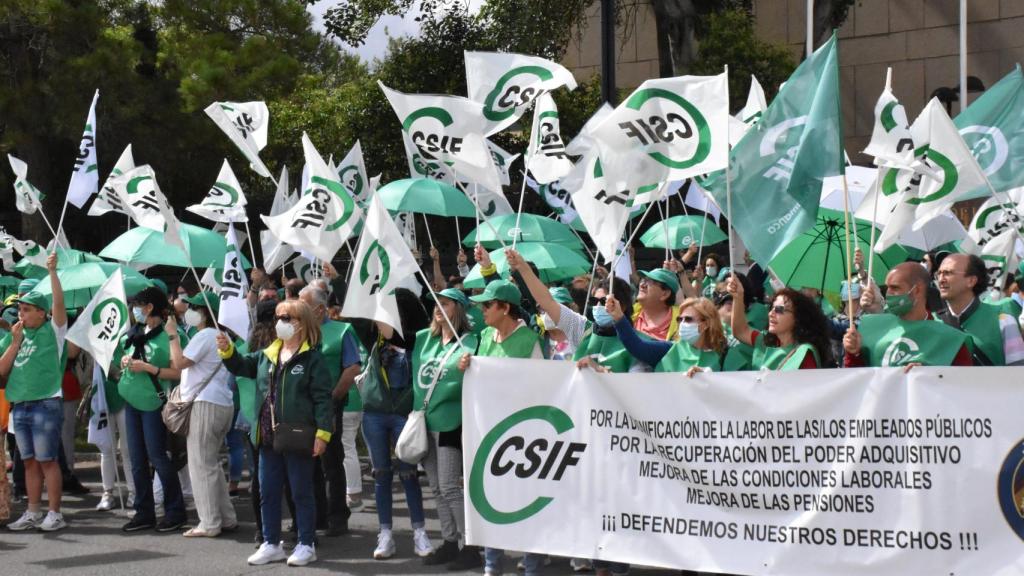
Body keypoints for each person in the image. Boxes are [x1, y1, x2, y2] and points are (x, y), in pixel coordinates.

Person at [217, 300, 333, 567]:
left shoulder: (313, 358)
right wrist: (228, 351)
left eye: (288, 317)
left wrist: (323, 433)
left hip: (298, 435)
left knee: (301, 492)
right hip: (267, 436)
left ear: (302, 323)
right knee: (268, 491)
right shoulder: (266, 355)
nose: (280, 321)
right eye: (279, 317)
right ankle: (271, 543)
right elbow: (241, 367)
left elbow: (323, 399)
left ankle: (306, 543)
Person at [457, 279, 544, 576]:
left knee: (526, 502)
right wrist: (467, 363)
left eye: (487, 305)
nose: (481, 310)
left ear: (505, 308)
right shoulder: (484, 336)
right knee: (490, 499)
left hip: (522, 436)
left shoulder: (530, 340)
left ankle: (531, 565)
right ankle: (492, 566)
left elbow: (543, 387)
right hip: (489, 433)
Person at [359, 289, 433, 561]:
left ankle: (419, 532)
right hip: (375, 415)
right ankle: (385, 534)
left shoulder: (417, 341)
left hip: (404, 416)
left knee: (409, 474)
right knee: (381, 474)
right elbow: (356, 315)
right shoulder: (374, 339)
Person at [0, 252, 69, 531]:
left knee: (47, 461)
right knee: (28, 462)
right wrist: (14, 342)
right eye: (20, 309)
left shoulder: (54, 331)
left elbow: (59, 304)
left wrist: (52, 273)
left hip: (45, 403)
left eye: (27, 309)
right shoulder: (14, 334)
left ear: (42, 312)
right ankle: (33, 512)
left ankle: (55, 513)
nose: (22, 314)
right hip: (21, 404)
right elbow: (2, 369)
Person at [413, 288, 481, 569]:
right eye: (436, 303)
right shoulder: (423, 338)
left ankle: (470, 545)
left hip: (452, 422)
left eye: (446, 303)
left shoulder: (471, 342)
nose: (438, 307)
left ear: (460, 309)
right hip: (424, 422)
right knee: (436, 488)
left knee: (451, 487)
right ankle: (450, 541)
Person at [167, 292, 237, 537]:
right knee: (211, 464)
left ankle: (209, 522)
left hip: (205, 405)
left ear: (205, 312)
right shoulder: (222, 335)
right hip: (220, 404)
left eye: (194, 307)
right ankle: (226, 517)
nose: (188, 311)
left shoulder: (206, 334)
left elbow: (178, 362)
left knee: (200, 465)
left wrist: (173, 335)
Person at [117, 286, 186, 533]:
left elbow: (177, 371)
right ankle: (144, 512)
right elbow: (124, 358)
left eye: (139, 305)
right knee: (137, 460)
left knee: (158, 457)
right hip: (131, 400)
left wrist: (148, 368)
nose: (135, 310)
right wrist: (125, 361)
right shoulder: (134, 332)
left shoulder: (167, 333)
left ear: (149, 308)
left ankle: (175, 511)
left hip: (153, 403)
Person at [299, 285, 361, 536]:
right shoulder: (299, 331)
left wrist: (334, 397)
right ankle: (317, 515)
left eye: (304, 305)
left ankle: (337, 516)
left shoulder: (342, 330)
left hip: (329, 406)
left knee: (331, 462)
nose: (299, 309)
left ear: (320, 308)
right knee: (307, 463)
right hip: (302, 407)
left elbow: (353, 367)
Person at [843, 262, 971, 368]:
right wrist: (853, 353)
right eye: (887, 287)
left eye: (895, 288)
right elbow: (857, 381)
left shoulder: (948, 338)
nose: (888, 293)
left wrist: (930, 375)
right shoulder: (871, 328)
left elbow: (960, 386)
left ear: (916, 290)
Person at [935, 254, 1024, 366]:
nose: (941, 279)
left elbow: (1018, 372)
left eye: (948, 273)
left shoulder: (1002, 318)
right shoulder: (933, 322)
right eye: (939, 273)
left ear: (971, 281)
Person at [726, 276, 833, 370]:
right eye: (771, 308)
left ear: (798, 317)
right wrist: (738, 296)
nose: (771, 314)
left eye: (779, 310)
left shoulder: (804, 354)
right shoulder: (765, 341)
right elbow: (740, 331)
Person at [607, 296, 726, 375]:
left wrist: (707, 376)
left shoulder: (723, 354)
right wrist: (619, 317)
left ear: (705, 324)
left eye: (688, 319)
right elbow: (637, 347)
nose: (682, 323)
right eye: (680, 319)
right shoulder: (669, 349)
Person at [632, 268, 681, 341]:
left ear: (665, 294)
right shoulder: (628, 313)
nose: (642, 285)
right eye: (643, 280)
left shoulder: (683, 321)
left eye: (649, 281)